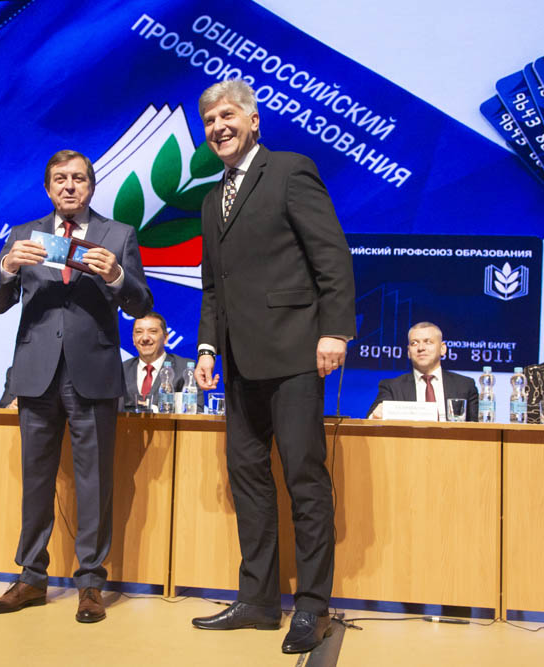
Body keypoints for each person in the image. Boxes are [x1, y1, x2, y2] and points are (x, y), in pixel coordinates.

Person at [190, 79, 356, 655]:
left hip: (293, 354)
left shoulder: (289, 170)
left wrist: (335, 330)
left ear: (253, 120)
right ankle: (258, 601)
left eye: (228, 115)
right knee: (249, 480)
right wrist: (207, 348)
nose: (219, 127)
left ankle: (312, 607)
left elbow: (331, 254)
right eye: (210, 121)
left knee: (304, 480)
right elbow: (214, 287)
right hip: (238, 364)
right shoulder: (211, 199)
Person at [0, 149, 153, 623]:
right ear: (48, 187)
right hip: (36, 375)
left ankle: (91, 583)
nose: (70, 186)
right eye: (60, 179)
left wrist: (116, 275)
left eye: (78, 178)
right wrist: (6, 267)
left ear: (91, 186)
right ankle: (31, 577)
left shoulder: (118, 235)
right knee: (36, 481)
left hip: (92, 375)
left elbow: (141, 304)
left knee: (94, 482)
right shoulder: (22, 236)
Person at [366, 322, 479, 421]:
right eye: (414, 343)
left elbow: (479, 429)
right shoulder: (392, 387)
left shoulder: (465, 386)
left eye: (428, 342)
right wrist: (375, 416)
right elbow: (370, 421)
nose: (421, 348)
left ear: (442, 348)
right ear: (409, 352)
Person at [120, 311, 203, 411]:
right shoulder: (121, 370)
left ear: (166, 338)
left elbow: (196, 411)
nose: (145, 338)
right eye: (139, 332)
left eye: (152, 331)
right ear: (133, 339)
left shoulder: (185, 369)